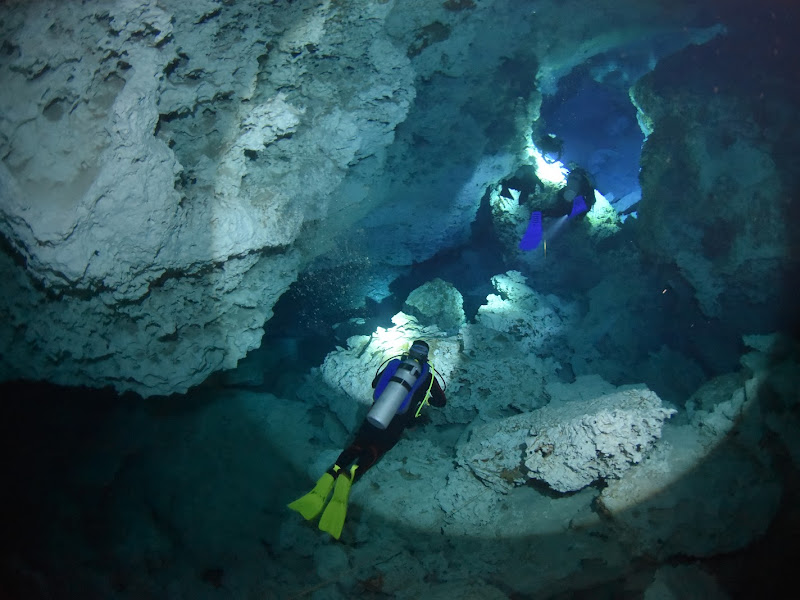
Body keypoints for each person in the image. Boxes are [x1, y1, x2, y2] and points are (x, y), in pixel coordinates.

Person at [288, 339, 447, 539]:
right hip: (395, 426)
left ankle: (331, 475)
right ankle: (348, 480)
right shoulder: (428, 377)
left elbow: (375, 385)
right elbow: (441, 402)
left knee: (356, 446)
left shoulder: (395, 364)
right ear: (425, 357)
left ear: (410, 351)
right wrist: (425, 400)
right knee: (374, 451)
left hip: (373, 416)